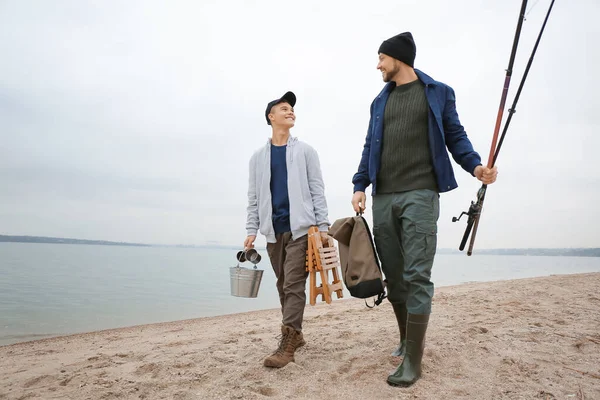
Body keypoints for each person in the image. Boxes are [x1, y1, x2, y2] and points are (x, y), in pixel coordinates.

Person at [350, 32, 498, 386]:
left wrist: (476, 167)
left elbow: (455, 135)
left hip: (420, 194)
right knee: (395, 275)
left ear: (399, 58)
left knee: (417, 275)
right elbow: (370, 144)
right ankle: (405, 339)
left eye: (382, 58)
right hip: (383, 197)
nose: (378, 64)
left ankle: (414, 361)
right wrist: (360, 184)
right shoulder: (379, 101)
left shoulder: (438, 92)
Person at [244, 91, 330, 368]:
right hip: (273, 232)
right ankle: (298, 335)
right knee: (283, 285)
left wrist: (324, 227)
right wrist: (251, 229)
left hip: (302, 231)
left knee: (293, 284)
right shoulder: (257, 158)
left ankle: (288, 343)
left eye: (292, 108)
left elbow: (317, 191)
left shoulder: (305, 151)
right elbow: (254, 197)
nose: (290, 111)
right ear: (271, 117)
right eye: (284, 108)